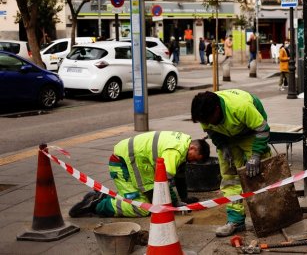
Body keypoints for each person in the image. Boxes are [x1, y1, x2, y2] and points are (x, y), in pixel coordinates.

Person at [68, 131, 210, 218]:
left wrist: (182, 199)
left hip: (133, 161)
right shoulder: (175, 152)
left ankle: (103, 196)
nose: (192, 161)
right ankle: (98, 205)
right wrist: (171, 206)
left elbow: (179, 177)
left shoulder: (184, 141)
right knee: (143, 208)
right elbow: (160, 185)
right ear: (193, 147)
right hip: (123, 163)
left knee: (146, 198)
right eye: (194, 158)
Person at [190, 90, 272, 237]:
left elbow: (263, 129)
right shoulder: (205, 114)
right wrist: (222, 145)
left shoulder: (240, 107)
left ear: (217, 109)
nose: (207, 123)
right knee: (230, 179)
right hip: (227, 138)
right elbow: (211, 131)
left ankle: (270, 218)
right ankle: (236, 221)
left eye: (209, 120)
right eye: (204, 121)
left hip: (252, 133)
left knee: (260, 175)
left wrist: (256, 155)